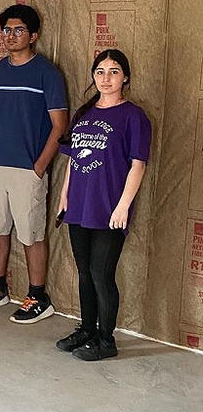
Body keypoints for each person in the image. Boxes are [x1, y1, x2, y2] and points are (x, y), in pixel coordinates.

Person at [0, 4, 68, 323]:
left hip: (27, 169)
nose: (11, 36)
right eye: (6, 30)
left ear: (34, 36)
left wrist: (39, 166)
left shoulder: (47, 73)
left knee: (32, 234)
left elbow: (59, 126)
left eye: (19, 30)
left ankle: (38, 296)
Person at [55, 49, 150, 360]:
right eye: (100, 71)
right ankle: (86, 330)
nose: (106, 78)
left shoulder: (134, 117)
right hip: (79, 206)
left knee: (101, 274)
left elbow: (138, 165)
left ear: (125, 77)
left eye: (113, 71)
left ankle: (106, 341)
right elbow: (72, 160)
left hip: (109, 208)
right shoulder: (84, 114)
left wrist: (123, 206)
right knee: (84, 272)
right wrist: (64, 196)